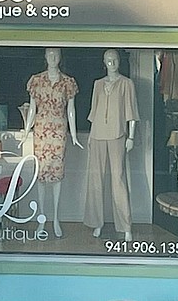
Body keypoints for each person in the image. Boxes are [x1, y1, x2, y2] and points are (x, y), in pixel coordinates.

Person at [23, 48, 82, 238]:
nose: (53, 58)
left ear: (60, 58)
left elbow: (71, 110)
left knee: (56, 175)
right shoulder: (36, 81)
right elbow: (32, 108)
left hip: (58, 132)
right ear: (45, 57)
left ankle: (55, 217)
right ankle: (42, 218)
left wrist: (73, 134)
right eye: (49, 55)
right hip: (41, 131)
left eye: (56, 55)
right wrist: (25, 131)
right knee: (41, 175)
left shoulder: (68, 82)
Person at [83, 49, 138, 240]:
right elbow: (94, 111)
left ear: (119, 61)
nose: (111, 63)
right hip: (98, 134)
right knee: (96, 180)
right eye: (108, 60)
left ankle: (125, 225)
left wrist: (131, 137)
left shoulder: (126, 84)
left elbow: (131, 111)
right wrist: (90, 136)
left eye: (114, 59)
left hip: (117, 135)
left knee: (119, 180)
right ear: (104, 62)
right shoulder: (98, 84)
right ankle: (97, 223)